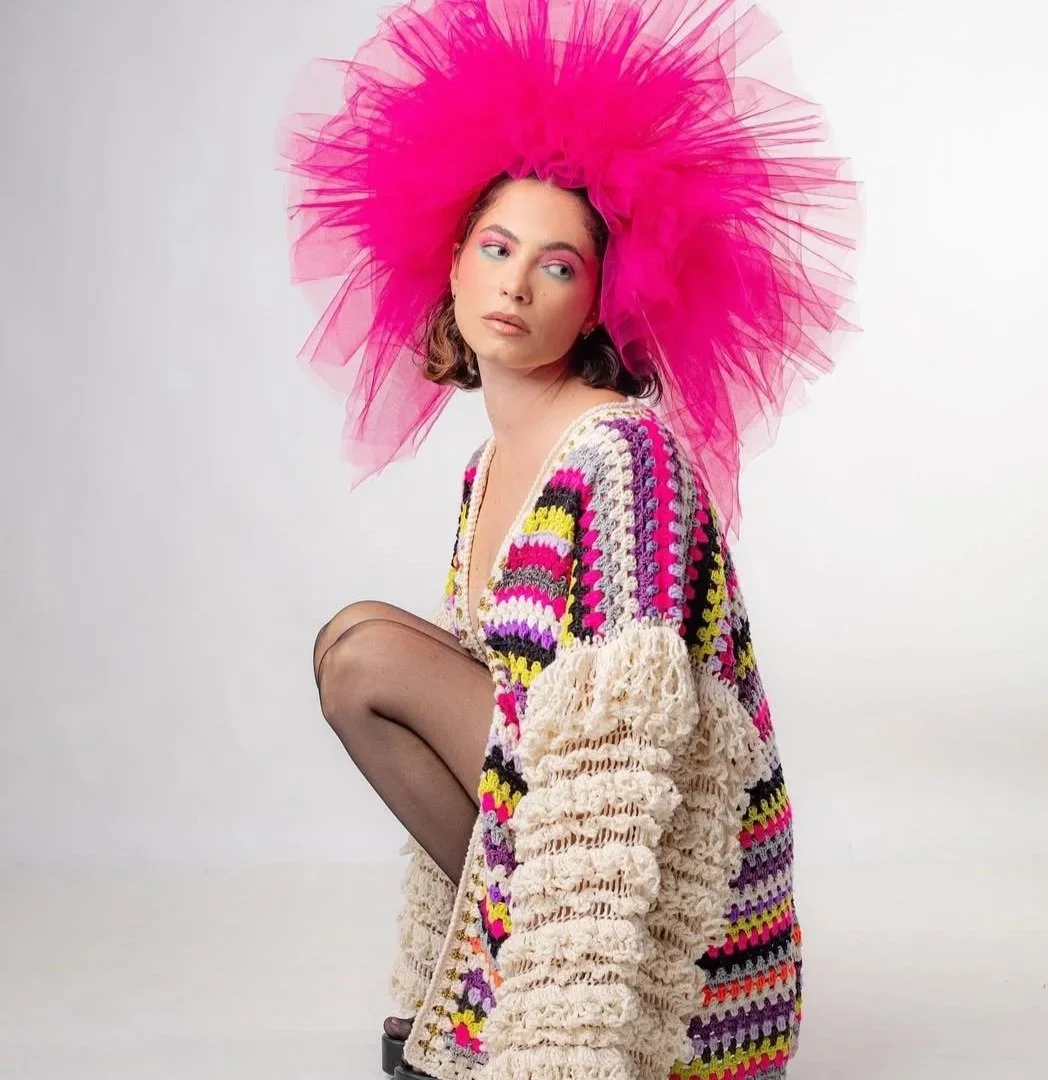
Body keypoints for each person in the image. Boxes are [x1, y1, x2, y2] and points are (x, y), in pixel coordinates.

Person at [277, 2, 859, 1077]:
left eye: (558, 265)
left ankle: (533, 991)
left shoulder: (619, 459)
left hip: (665, 897)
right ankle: (483, 960)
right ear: (448, 261)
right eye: (497, 249)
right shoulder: (488, 467)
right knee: (351, 645)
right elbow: (509, 709)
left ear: (596, 303)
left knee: (363, 653)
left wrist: (566, 1034)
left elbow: (623, 755)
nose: (516, 284)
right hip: (549, 819)